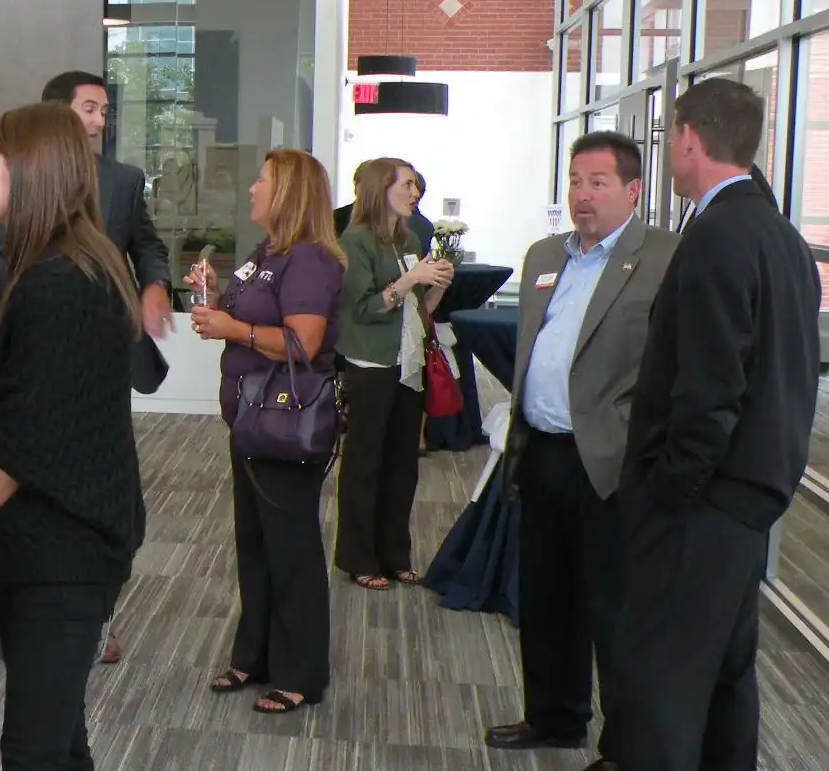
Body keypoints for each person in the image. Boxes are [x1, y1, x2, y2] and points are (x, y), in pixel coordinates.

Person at [609, 78, 820, 771]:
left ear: (690, 139)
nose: (670, 150)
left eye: (671, 137)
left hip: (703, 501)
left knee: (661, 683)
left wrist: (667, 491)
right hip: (751, 494)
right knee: (725, 674)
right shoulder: (783, 237)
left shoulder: (718, 237)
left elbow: (709, 389)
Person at [0, 101, 146, 770]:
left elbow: (28, 438)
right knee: (58, 741)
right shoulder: (73, 266)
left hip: (64, 550)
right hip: (64, 538)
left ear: (28, 175)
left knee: (33, 750)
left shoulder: (59, 283)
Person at [480, 132, 679, 771]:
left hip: (611, 462)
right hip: (540, 452)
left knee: (613, 609)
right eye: (574, 181)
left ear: (632, 190)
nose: (582, 195)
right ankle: (554, 717)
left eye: (597, 183)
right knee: (545, 596)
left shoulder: (665, 258)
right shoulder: (544, 254)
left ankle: (624, 747)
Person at [0, 69, 172, 663]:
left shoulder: (71, 269)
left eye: (104, 110)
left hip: (66, 540)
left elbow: (26, 443)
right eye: (89, 108)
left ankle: (90, 620)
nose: (99, 120)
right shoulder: (47, 275)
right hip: (70, 515)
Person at [187, 148, 345, 714]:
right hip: (252, 420)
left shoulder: (309, 260)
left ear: (288, 194)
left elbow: (301, 342)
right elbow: (252, 310)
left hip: (287, 421)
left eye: (261, 180)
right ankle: (254, 655)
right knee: (254, 544)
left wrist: (235, 327)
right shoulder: (269, 252)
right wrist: (215, 289)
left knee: (291, 549)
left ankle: (301, 671)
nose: (251, 188)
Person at [332, 158, 452, 592]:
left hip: (408, 362)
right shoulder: (355, 241)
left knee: (403, 463)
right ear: (381, 189)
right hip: (370, 364)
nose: (414, 193)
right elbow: (363, 308)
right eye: (407, 185)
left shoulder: (408, 237)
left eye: (416, 186)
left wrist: (435, 283)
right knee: (365, 463)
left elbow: (417, 309)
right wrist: (411, 279)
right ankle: (358, 557)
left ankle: (395, 555)